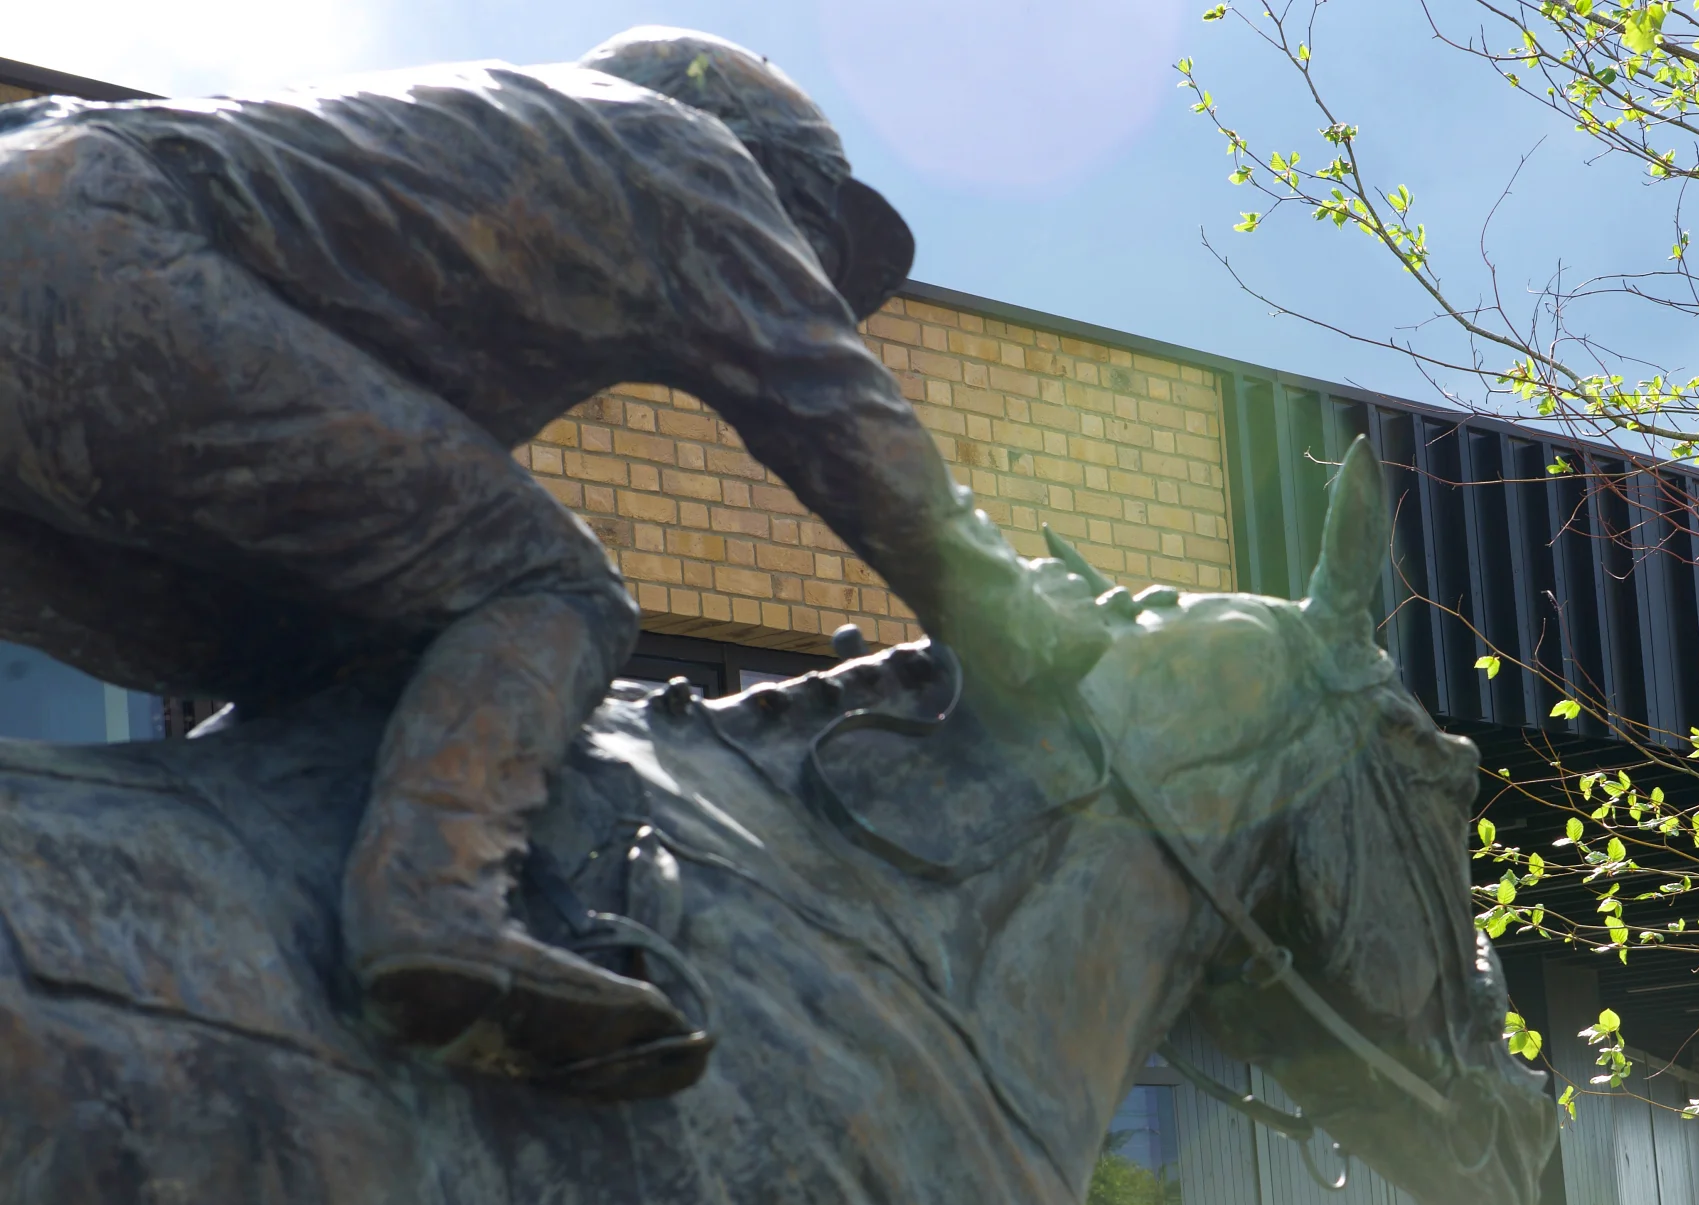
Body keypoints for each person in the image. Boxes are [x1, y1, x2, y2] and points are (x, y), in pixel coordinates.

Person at [0, 29, 1108, 1099]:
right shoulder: (675, 149)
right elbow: (839, 413)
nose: (809, 268)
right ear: (769, 166)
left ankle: (229, 886)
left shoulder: (457, 191)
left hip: (55, 224)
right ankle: (434, 913)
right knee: (554, 590)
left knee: (338, 635)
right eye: (812, 225)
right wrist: (1018, 625)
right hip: (86, 248)